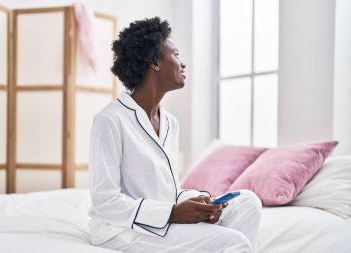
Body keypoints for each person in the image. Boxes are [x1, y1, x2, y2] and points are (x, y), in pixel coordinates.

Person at [89, 17, 261, 253]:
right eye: (176, 54)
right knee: (234, 243)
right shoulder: (110, 120)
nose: (183, 64)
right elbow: (105, 201)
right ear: (154, 63)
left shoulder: (170, 123)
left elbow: (167, 192)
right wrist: (171, 214)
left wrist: (201, 203)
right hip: (122, 231)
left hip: (163, 219)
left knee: (247, 202)